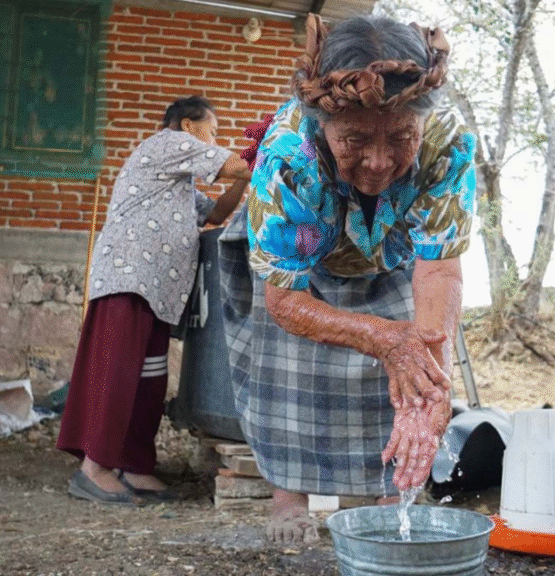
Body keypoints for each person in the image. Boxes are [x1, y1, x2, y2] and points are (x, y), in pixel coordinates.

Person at [218, 14, 476, 543]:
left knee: (410, 374)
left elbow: (440, 266)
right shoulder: (291, 152)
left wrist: (432, 375)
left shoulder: (447, 141)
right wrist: (385, 339)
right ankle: (287, 501)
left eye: (402, 137)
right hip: (296, 263)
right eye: (355, 140)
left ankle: (394, 502)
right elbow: (285, 303)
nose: (379, 162)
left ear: (423, 122)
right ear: (324, 123)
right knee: (285, 376)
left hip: (391, 251)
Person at [57, 95, 252, 505]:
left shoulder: (177, 184)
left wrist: (245, 178)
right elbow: (232, 163)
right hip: (130, 280)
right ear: (187, 126)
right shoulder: (166, 143)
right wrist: (267, 152)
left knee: (148, 380)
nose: (213, 140)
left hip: (156, 292)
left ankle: (134, 464)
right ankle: (93, 468)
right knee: (119, 372)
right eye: (211, 131)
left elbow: (216, 213)